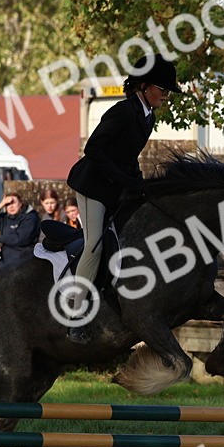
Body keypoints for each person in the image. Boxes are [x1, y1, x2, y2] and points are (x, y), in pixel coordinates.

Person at [65, 54, 184, 343]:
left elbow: (128, 157)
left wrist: (139, 183)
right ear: (143, 85)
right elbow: (94, 149)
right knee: (94, 244)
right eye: (162, 89)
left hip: (115, 187)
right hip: (92, 187)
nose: (166, 96)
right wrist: (124, 180)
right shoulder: (121, 111)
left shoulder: (147, 116)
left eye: (168, 91)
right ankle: (75, 313)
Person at [0, 192, 39, 269]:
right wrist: (1, 204)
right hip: (5, 261)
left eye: (13, 203)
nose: (11, 206)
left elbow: (21, 239)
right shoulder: (5, 218)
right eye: (7, 204)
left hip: (23, 261)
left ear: (20, 204)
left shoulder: (30, 218)